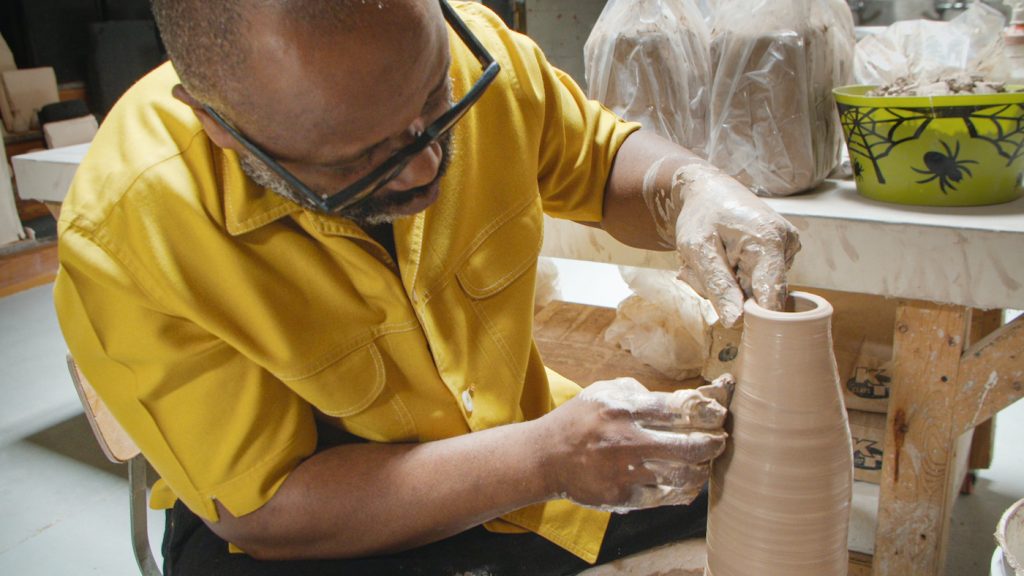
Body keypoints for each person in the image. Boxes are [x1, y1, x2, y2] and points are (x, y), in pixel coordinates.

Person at [53, 0, 800, 574]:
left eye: (437, 105)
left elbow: (600, 161)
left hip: (518, 447)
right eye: (364, 159)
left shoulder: (464, 44)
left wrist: (688, 187)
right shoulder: (130, 229)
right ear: (219, 127)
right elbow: (268, 509)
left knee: (759, 503)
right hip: (319, 527)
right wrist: (544, 460)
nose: (425, 167)